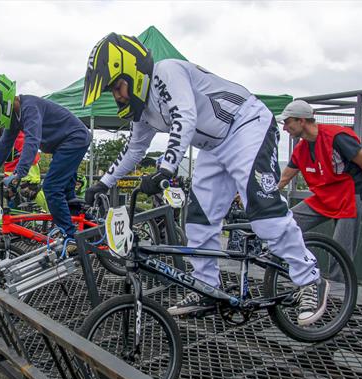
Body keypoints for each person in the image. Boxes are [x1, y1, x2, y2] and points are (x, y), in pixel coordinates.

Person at [81, 33, 328, 325]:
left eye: (117, 87)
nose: (118, 96)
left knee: (263, 212)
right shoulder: (142, 110)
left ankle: (310, 278)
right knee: (198, 220)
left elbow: (184, 117)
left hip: (246, 125)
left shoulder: (167, 72)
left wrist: (166, 169)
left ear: (133, 72)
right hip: (214, 146)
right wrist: (101, 184)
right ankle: (207, 287)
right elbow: (133, 150)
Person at [0, 73, 91, 246]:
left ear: (3, 98)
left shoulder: (29, 107)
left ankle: (72, 238)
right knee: (66, 195)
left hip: (74, 139)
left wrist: (19, 173)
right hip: (64, 145)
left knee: (51, 188)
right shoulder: (14, 117)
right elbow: (4, 144)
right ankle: (88, 224)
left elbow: (32, 141)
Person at [277, 99, 362, 266]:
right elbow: (284, 179)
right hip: (326, 196)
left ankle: (339, 289)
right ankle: (295, 269)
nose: (284, 128)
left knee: (339, 251)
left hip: (351, 195)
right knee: (286, 224)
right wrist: (259, 194)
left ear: (301, 120)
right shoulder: (302, 148)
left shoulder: (336, 137)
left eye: (287, 122)